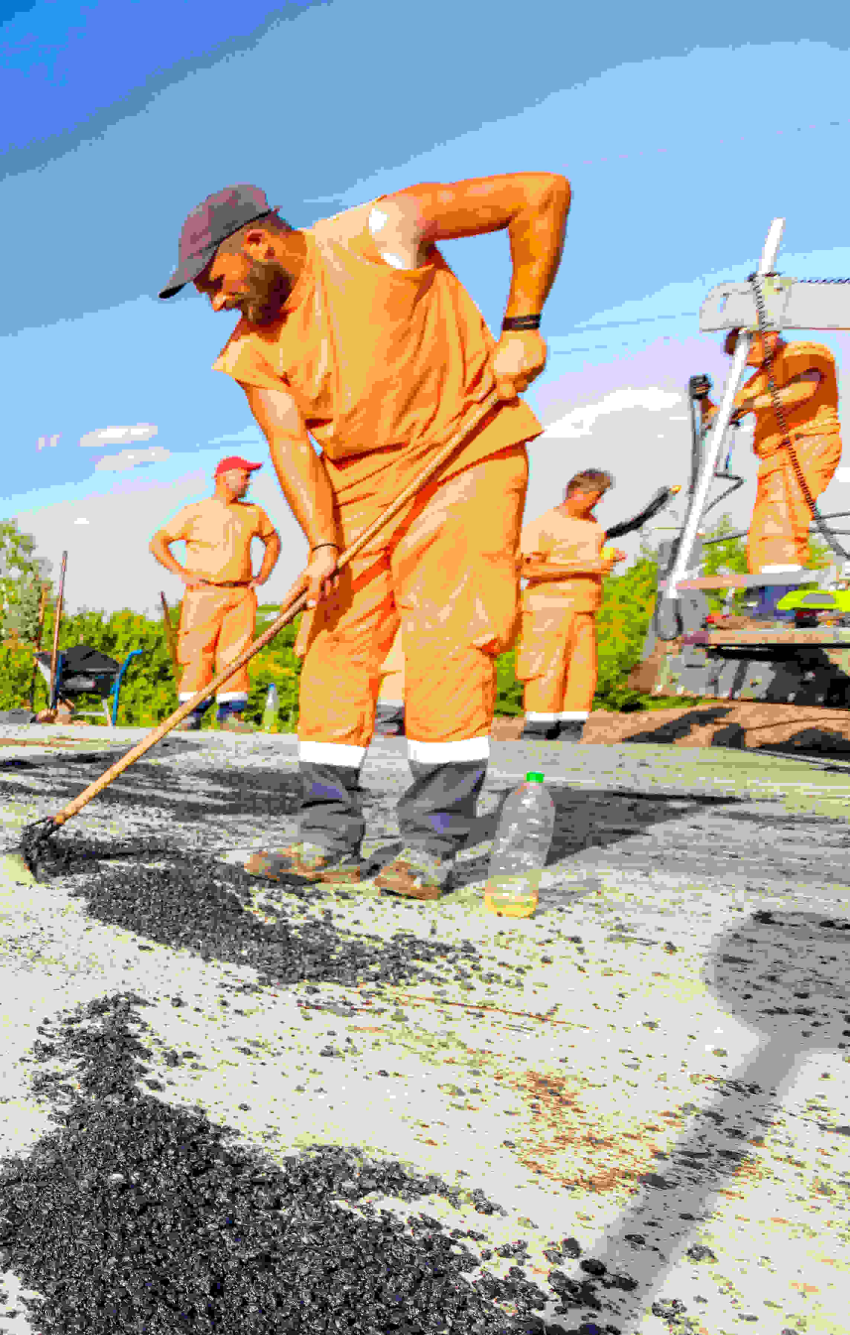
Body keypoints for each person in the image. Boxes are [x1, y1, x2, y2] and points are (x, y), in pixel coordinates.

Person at [160, 172, 569, 901]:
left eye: (215, 281)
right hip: (353, 485)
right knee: (331, 644)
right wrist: (321, 545)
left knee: (446, 636)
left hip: (462, 450)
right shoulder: (252, 349)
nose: (216, 300)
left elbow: (541, 194)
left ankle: (432, 840)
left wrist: (523, 326)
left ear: (257, 241)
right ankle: (326, 838)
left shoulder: (382, 232)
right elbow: (289, 447)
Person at [694, 329, 840, 619]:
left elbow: (801, 391)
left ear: (768, 336)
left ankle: (782, 603)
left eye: (746, 351)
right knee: (763, 531)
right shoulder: (760, 377)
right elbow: (719, 418)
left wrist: (745, 404)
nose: (744, 361)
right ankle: (770, 599)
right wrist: (704, 400)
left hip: (808, 443)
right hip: (776, 455)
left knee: (783, 521)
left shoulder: (805, 351)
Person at [150, 457, 281, 731]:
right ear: (225, 477)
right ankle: (190, 712)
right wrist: (181, 572)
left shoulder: (254, 512)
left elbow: (273, 541)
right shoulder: (195, 511)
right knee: (197, 651)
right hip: (203, 593)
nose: (249, 481)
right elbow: (158, 542)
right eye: (244, 476)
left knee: (237, 652)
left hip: (241, 593)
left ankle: (231, 714)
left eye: (248, 476)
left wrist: (263, 575)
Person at [514, 469, 620, 743]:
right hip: (548, 611)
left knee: (582, 672)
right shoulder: (543, 525)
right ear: (577, 494)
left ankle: (571, 727)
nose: (599, 503)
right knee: (545, 668)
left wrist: (607, 558)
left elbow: (584, 560)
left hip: (584, 610)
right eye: (596, 497)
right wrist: (589, 565)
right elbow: (528, 569)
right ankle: (537, 729)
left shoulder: (592, 525)